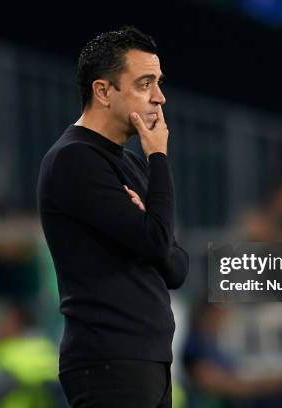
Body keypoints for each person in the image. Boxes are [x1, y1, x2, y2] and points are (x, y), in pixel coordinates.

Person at [37, 26, 189, 407]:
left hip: (148, 360)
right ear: (103, 91)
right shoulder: (75, 159)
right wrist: (159, 157)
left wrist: (154, 234)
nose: (160, 97)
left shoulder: (131, 164)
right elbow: (158, 242)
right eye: (144, 84)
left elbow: (176, 267)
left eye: (158, 83)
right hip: (108, 361)